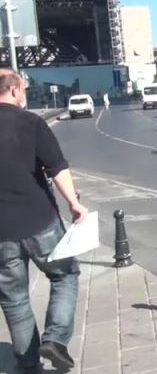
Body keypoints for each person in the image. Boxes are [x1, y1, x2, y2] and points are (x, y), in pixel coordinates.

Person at [0, 69, 87, 372]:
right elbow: (57, 168)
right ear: (13, 90)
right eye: (22, 88)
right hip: (39, 220)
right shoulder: (31, 122)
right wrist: (74, 203)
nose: (24, 93)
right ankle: (56, 339)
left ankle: (27, 363)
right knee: (65, 276)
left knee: (13, 299)